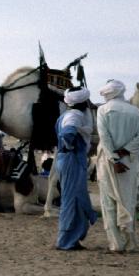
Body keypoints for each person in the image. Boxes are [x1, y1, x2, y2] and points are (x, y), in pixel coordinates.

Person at [95, 80, 139, 254]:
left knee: (108, 203)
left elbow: (104, 138)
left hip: (109, 162)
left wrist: (114, 159)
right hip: (129, 163)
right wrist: (125, 151)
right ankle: (131, 242)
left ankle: (116, 243)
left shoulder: (102, 110)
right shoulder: (135, 111)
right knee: (128, 201)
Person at [55, 88, 98, 251]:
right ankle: (65, 240)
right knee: (71, 199)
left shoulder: (68, 115)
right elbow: (67, 134)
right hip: (71, 159)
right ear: (84, 102)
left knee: (77, 199)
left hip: (70, 159)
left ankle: (73, 238)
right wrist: (71, 146)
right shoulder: (75, 116)